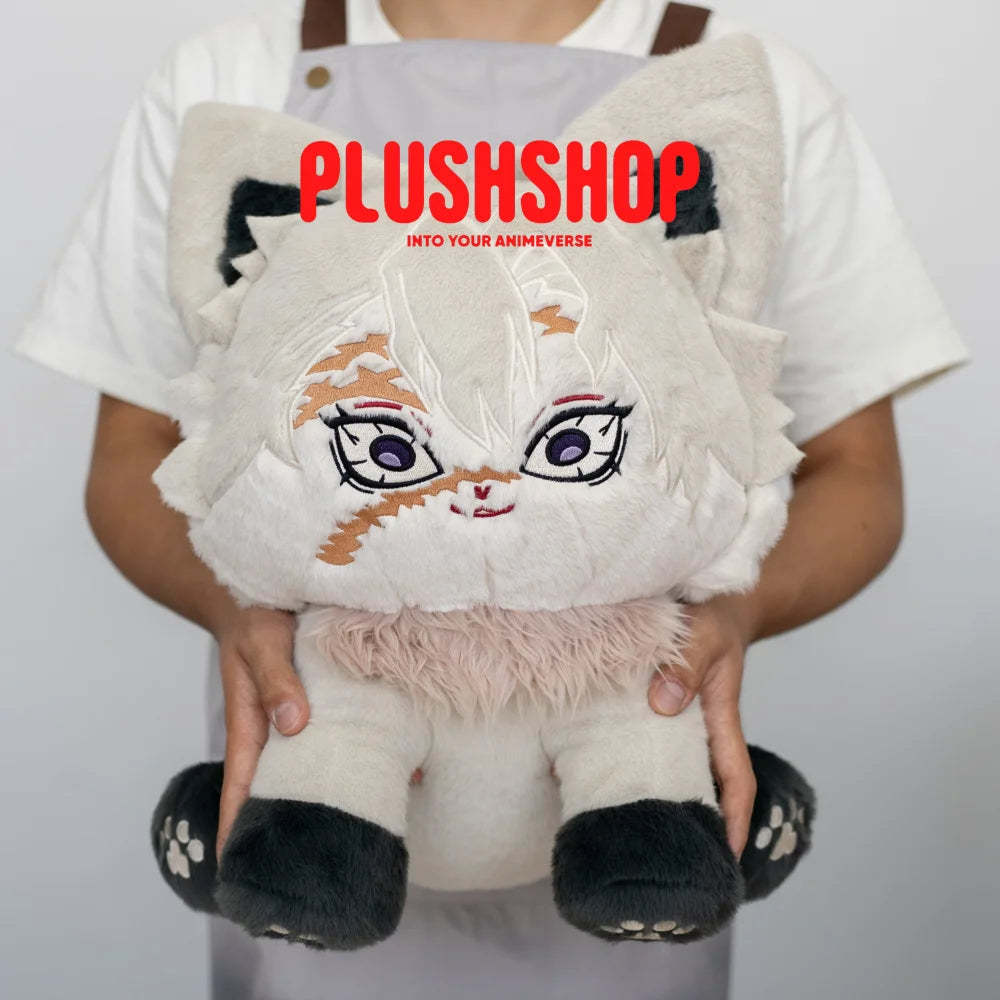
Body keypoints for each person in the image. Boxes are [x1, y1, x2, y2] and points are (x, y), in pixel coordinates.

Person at [15, 1, 967, 997]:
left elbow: (857, 469)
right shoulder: (231, 77)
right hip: (327, 749)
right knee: (306, 885)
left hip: (624, 769)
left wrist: (730, 619)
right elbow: (131, 454)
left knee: (645, 873)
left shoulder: (745, 87)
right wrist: (238, 612)